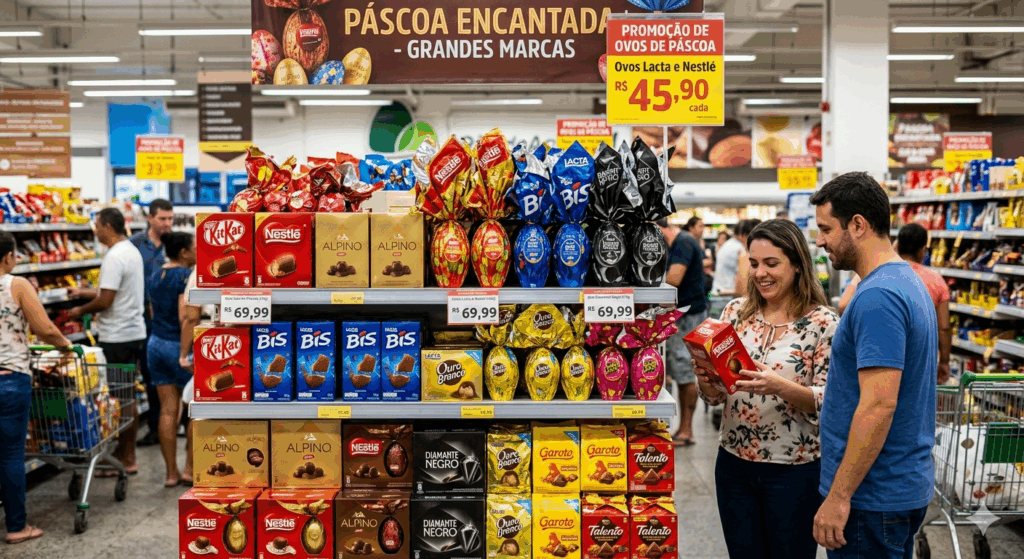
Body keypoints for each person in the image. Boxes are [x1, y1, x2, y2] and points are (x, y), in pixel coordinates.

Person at [693, 219, 838, 559]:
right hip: (733, 465)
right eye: (754, 263)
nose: (760, 274)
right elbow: (715, 398)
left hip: (794, 471)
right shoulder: (734, 313)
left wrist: (779, 386)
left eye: (772, 264)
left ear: (798, 266)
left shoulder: (823, 324)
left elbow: (830, 401)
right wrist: (705, 380)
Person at [810, 172, 937, 558]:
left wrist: (839, 495)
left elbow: (878, 405)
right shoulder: (907, 281)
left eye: (826, 229)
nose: (819, 241)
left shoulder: (878, 296)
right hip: (897, 484)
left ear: (858, 225)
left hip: (873, 496)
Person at [0, 231, 73, 544]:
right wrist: (66, 344)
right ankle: (17, 527)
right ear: (8, 257)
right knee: (11, 455)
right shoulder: (15, 284)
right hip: (9, 379)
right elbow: (43, 328)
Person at [70, 207, 147, 478]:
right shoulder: (130, 251)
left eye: (97, 225)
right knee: (127, 395)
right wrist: (83, 291)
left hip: (118, 336)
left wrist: (79, 310)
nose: (95, 231)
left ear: (107, 226)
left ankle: (126, 457)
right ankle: (126, 454)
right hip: (132, 332)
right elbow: (112, 290)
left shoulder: (115, 256)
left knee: (121, 397)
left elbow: (105, 300)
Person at [146, 231, 196, 487]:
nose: (198, 250)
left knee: (167, 410)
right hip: (178, 346)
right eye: (194, 247)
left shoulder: (156, 274)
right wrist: (184, 353)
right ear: (184, 252)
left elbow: (152, 310)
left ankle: (170, 473)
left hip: (155, 344)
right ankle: (189, 469)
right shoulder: (185, 276)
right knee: (195, 411)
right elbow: (184, 316)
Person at [659, 218, 707, 446]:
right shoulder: (678, 243)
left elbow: (674, 278)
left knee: (686, 372)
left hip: (688, 318)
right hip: (680, 316)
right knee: (678, 371)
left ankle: (687, 430)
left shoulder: (683, 243)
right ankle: (679, 428)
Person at [131, 199, 173, 447]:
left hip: (169, 318)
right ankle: (156, 426)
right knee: (150, 373)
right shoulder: (135, 245)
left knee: (169, 375)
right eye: (162, 219)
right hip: (143, 318)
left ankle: (170, 422)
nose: (167, 224)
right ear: (150, 218)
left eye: (170, 219)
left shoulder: (176, 244)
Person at [714, 218, 760, 296]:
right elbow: (743, 285)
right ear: (745, 235)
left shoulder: (729, 244)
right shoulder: (740, 249)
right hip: (727, 295)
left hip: (720, 293)